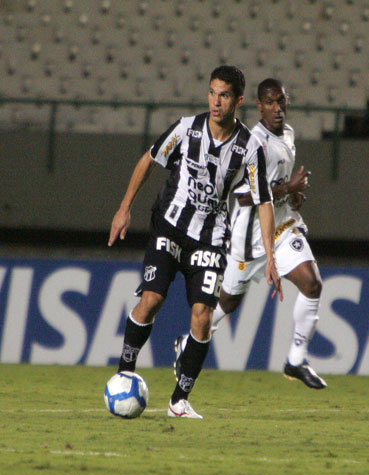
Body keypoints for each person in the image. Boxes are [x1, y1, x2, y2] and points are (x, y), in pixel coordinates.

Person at [108, 65, 282, 419]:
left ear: (238, 100)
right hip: (170, 226)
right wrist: (124, 208)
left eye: (224, 95)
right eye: (212, 92)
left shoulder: (249, 147)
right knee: (151, 299)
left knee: (202, 317)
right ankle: (124, 371)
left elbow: (264, 201)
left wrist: (272, 255)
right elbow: (150, 159)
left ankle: (178, 401)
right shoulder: (187, 128)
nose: (216, 101)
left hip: (211, 237)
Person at [174, 78, 327, 389]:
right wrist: (289, 187)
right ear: (258, 106)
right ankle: (188, 342)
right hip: (249, 239)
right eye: (270, 102)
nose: (277, 108)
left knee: (312, 284)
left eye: (281, 101)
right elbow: (244, 196)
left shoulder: (288, 134)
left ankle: (296, 360)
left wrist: (291, 196)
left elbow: (277, 186)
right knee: (228, 303)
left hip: (283, 227)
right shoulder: (252, 143)